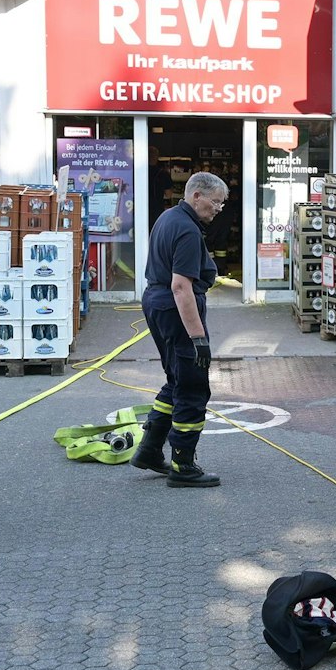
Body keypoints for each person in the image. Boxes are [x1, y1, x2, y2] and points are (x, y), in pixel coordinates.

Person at [132, 170, 228, 487]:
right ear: (196, 195)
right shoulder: (187, 230)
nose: (218, 208)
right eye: (215, 202)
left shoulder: (169, 218)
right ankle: (183, 466)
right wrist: (198, 338)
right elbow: (181, 288)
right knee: (192, 385)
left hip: (156, 304)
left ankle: (148, 450)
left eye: (222, 204)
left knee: (175, 379)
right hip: (174, 309)